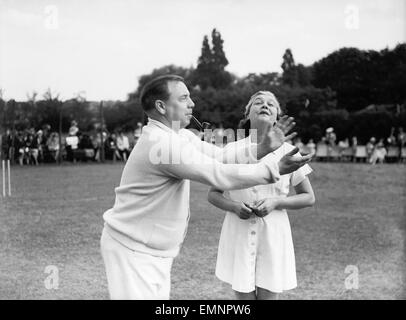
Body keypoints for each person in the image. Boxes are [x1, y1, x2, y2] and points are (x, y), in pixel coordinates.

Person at [100, 75, 312, 300]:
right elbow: (218, 175)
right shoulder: (163, 144)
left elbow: (220, 156)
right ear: (161, 106)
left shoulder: (178, 136)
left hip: (149, 250)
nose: (192, 104)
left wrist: (261, 149)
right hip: (133, 250)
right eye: (183, 98)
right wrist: (274, 167)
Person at [208, 91, 315, 300]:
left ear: (277, 116)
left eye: (271, 104)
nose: (265, 105)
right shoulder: (233, 149)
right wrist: (234, 206)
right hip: (238, 230)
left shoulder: (290, 151)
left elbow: (308, 197)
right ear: (248, 114)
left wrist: (277, 202)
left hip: (273, 234)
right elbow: (213, 194)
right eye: (258, 102)